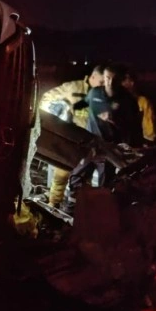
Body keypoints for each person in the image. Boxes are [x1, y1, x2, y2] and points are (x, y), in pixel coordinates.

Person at [39, 65, 105, 206]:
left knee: (83, 179)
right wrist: (53, 115)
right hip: (72, 140)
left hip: (90, 143)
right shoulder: (73, 87)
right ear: (92, 77)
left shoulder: (103, 96)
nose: (103, 86)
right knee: (61, 175)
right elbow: (47, 98)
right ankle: (53, 204)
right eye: (101, 83)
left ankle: (75, 208)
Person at [85, 65, 143, 147]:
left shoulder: (128, 100)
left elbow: (133, 127)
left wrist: (115, 120)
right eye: (108, 78)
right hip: (92, 142)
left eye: (115, 79)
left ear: (121, 80)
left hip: (113, 146)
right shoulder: (94, 93)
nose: (110, 82)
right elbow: (83, 106)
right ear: (104, 78)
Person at [122, 71, 156, 143]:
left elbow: (149, 129)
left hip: (136, 143)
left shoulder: (143, 102)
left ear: (132, 82)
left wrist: (148, 142)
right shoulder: (116, 101)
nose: (121, 83)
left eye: (124, 79)